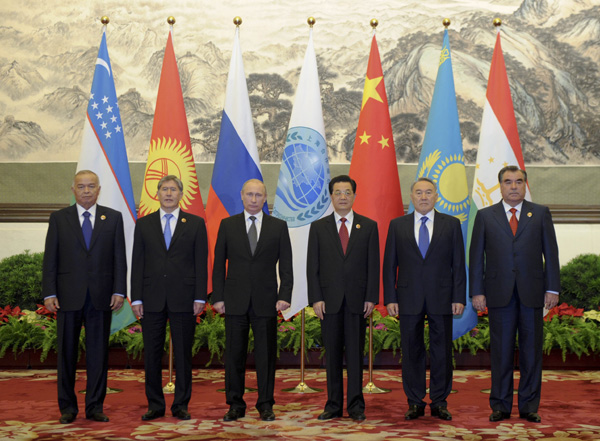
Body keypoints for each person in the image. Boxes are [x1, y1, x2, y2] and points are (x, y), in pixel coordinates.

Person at [470, 165, 560, 423]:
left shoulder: (540, 213)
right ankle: (500, 405)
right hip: (499, 295)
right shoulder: (486, 216)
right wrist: (477, 291)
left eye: (518, 182)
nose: (513, 186)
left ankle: (529, 405)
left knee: (531, 353)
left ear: (525, 184)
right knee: (501, 352)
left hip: (532, 294)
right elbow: (476, 257)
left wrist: (552, 287)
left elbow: (550, 253)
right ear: (500, 186)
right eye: (508, 182)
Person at [42, 170, 126, 424]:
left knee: (98, 355)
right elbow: (50, 260)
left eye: (91, 186)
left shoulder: (112, 218)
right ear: (73, 189)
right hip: (67, 297)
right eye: (82, 186)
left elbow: (119, 259)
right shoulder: (59, 219)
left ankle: (95, 407)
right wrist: (49, 292)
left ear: (99, 190)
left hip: (101, 297)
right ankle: (67, 408)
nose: (87, 191)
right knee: (66, 354)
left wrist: (119, 290)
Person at [383, 177, 466, 421]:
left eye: (428, 192)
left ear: (436, 196)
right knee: (412, 351)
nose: (423, 197)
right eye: (418, 192)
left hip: (442, 296)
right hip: (408, 297)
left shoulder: (451, 224)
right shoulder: (398, 225)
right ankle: (415, 401)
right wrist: (390, 297)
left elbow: (459, 264)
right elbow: (390, 265)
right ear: (411, 196)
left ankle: (440, 401)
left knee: (442, 352)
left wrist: (459, 296)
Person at [212, 179, 293, 422]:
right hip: (234, 301)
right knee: (234, 356)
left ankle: (265, 404)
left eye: (259, 195)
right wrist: (217, 297)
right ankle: (235, 405)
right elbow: (218, 265)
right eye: (250, 194)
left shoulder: (278, 226)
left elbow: (286, 266)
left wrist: (285, 295)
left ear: (265, 198)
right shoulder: (228, 225)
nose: (254, 199)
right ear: (242, 196)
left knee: (266, 357)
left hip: (266, 301)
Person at [131, 175, 208, 421]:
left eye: (173, 189)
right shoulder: (143, 224)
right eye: (164, 189)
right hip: (151, 299)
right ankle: (155, 405)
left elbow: (200, 262)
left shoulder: (195, 223)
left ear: (180, 194)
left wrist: (200, 296)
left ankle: (181, 405)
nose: (168, 193)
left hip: (184, 298)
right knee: (152, 354)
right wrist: (136, 299)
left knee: (184, 354)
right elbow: (137, 263)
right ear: (157, 193)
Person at [307, 174, 379, 422]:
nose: (342, 197)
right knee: (333, 355)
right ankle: (334, 404)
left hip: (358, 302)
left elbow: (373, 265)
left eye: (347, 192)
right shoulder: (318, 227)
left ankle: (357, 406)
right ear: (331, 196)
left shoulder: (368, 226)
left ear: (354, 196)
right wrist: (316, 298)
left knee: (357, 356)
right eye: (337, 192)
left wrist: (371, 296)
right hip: (329, 302)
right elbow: (312, 266)